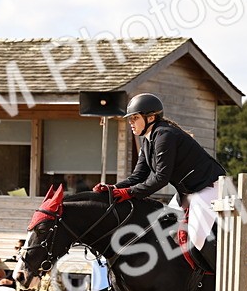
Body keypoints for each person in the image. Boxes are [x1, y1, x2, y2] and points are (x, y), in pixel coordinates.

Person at [94, 93, 227, 270]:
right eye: (130, 119)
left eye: (135, 118)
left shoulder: (165, 135)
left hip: (209, 188)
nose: (131, 122)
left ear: (150, 118)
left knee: (196, 238)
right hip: (188, 193)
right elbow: (138, 176)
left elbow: (161, 178)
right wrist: (113, 188)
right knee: (163, 227)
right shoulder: (148, 140)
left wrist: (129, 192)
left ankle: (219, 276)